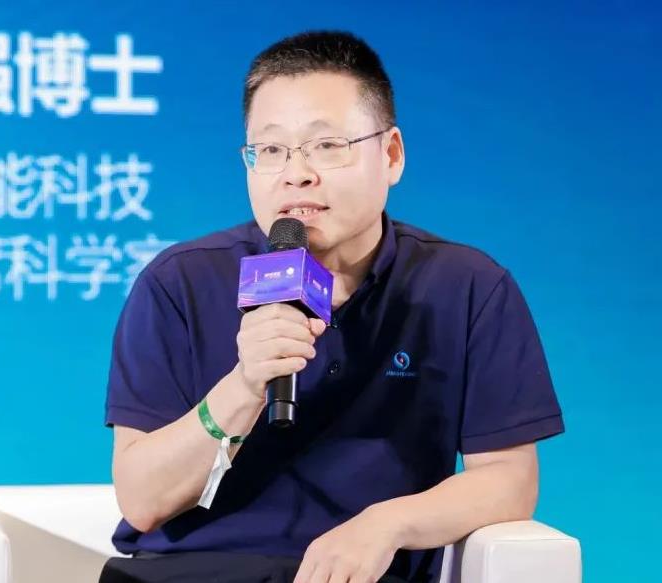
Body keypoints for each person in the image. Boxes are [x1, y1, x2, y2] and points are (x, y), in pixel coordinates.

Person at [100, 30, 564, 583]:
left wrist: (387, 524)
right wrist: (245, 385)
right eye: (271, 150)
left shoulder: (467, 287)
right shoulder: (179, 282)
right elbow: (142, 501)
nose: (296, 173)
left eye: (326, 145)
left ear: (391, 155)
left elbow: (509, 479)